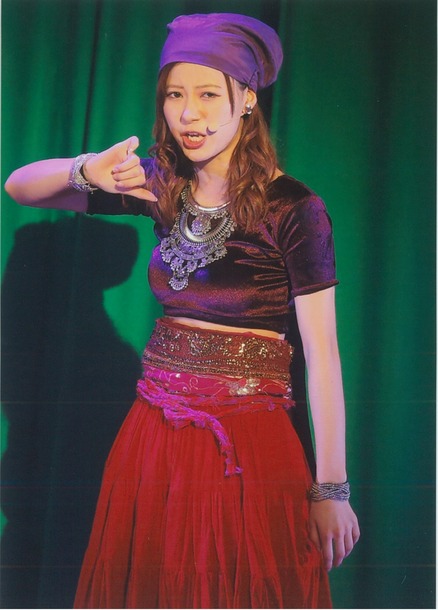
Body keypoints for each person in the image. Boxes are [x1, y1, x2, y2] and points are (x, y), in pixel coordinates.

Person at [5, 12, 360, 609]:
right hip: (154, 432)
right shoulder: (162, 185)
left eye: (207, 94)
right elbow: (19, 186)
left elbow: (323, 357)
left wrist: (332, 488)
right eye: (174, 95)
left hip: (245, 443)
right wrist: (86, 169)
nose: (188, 114)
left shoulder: (293, 208)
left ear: (247, 99)